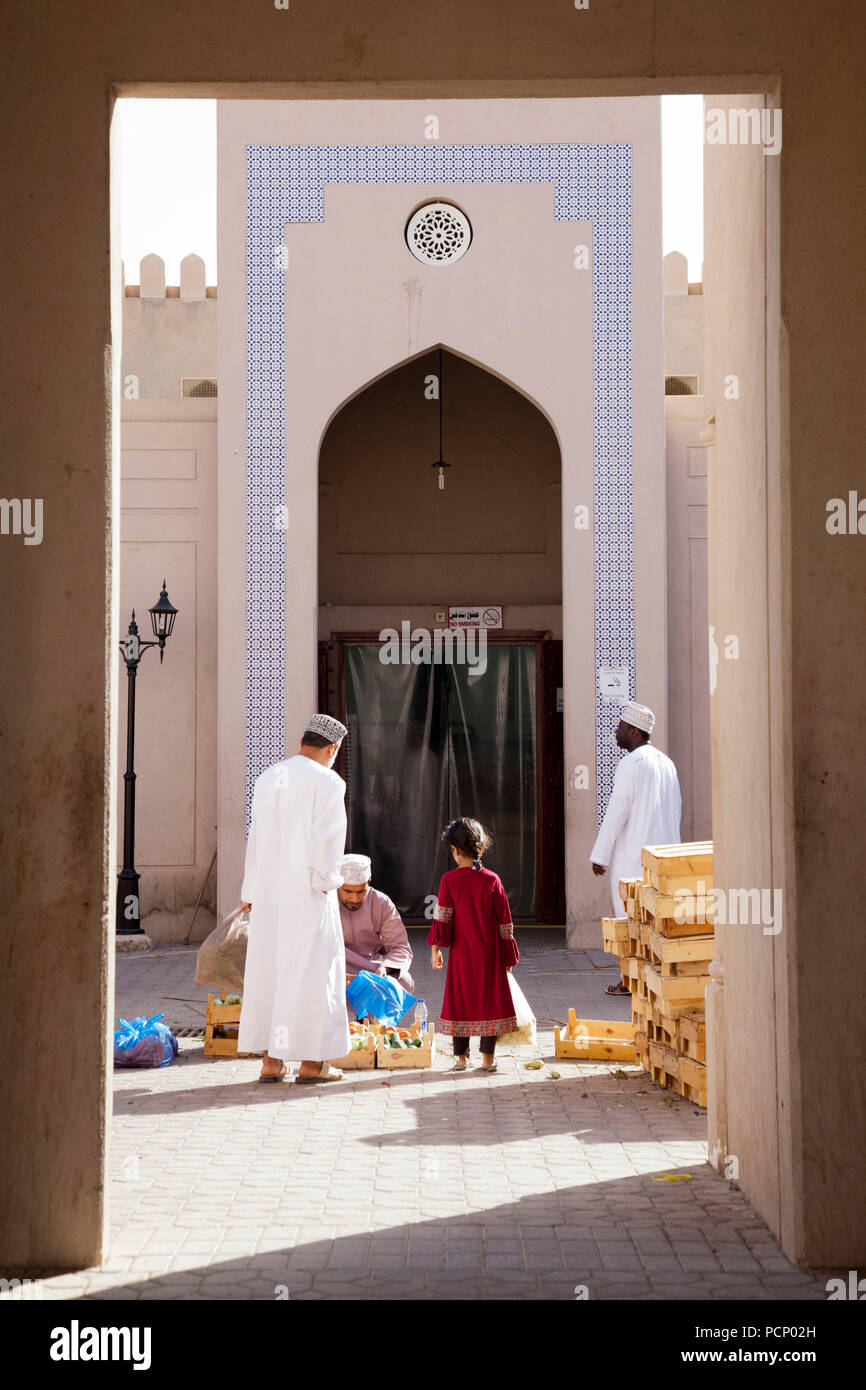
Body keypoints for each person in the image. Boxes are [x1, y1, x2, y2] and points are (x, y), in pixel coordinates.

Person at [238, 713, 351, 1083]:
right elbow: (326, 844)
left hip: (270, 895)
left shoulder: (269, 777)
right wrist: (325, 883)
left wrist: (250, 891)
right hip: (307, 895)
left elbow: (255, 838)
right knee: (312, 975)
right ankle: (312, 1063)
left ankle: (272, 1061)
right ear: (332, 749)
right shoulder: (329, 782)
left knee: (272, 972)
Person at [590, 700, 682, 995]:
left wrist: (599, 856)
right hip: (664, 859)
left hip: (633, 859)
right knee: (657, 921)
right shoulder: (667, 763)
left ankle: (629, 981)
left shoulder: (631, 763)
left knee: (628, 919)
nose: (616, 731)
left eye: (620, 727)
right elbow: (676, 811)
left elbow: (617, 811)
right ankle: (654, 979)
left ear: (634, 731)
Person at [428, 818, 519, 1074]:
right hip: (490, 957)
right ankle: (488, 1061)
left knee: (461, 1000)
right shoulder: (493, 880)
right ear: (481, 848)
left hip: (461, 957)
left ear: (455, 850)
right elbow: (505, 924)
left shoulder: (449, 881)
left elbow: (442, 917)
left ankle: (461, 1059)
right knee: (490, 1002)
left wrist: (435, 950)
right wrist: (508, 958)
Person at [338, 853, 415, 992]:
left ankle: (369, 1013)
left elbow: (400, 946)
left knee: (404, 982)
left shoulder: (381, 903)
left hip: (370, 968)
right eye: (348, 891)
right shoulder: (326, 904)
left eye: (361, 891)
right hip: (335, 968)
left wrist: (384, 969)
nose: (354, 899)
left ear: (369, 882)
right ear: (337, 885)